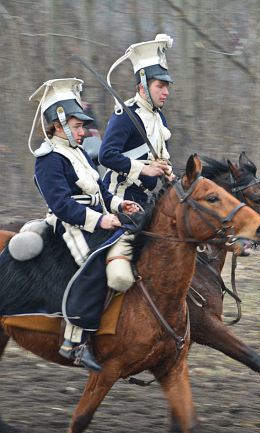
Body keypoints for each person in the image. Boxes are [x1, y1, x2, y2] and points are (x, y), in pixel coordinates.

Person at [29, 78, 139, 371]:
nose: (83, 132)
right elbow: (62, 205)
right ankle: (74, 342)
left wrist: (119, 205)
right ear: (57, 125)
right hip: (68, 226)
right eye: (77, 126)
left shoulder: (78, 152)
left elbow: (101, 192)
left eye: (82, 126)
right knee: (95, 261)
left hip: (95, 219)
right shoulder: (48, 158)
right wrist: (101, 219)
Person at [98, 34, 175, 292]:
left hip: (146, 202)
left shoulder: (160, 119)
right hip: (118, 200)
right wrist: (143, 168)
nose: (165, 92)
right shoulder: (125, 116)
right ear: (142, 85)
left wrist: (168, 172)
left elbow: (162, 157)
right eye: (159, 86)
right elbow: (106, 155)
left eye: (167, 86)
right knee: (120, 273)